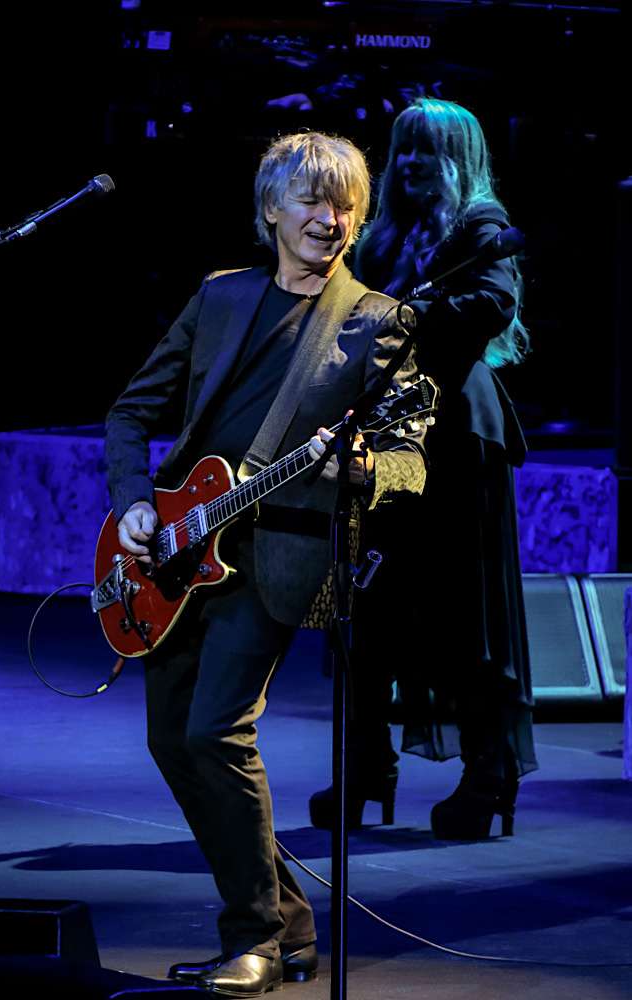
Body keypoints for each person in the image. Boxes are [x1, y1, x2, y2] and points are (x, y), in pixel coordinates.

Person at [105, 131, 427, 997]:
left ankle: (250, 937)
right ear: (271, 210)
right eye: (312, 201)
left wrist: (363, 469)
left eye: (346, 205)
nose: (330, 219)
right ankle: (287, 925)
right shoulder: (221, 297)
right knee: (172, 741)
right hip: (180, 547)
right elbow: (131, 412)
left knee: (215, 732)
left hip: (281, 557)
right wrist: (134, 500)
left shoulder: (376, 322)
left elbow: (412, 460)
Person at [309, 98, 538, 840]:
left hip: (455, 442)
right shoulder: (380, 236)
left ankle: (487, 776)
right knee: (366, 606)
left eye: (426, 150)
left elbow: (492, 304)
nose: (409, 163)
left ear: (458, 159)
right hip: (383, 443)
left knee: (460, 616)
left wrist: (401, 316)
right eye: (402, 148)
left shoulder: (480, 224)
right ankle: (365, 767)